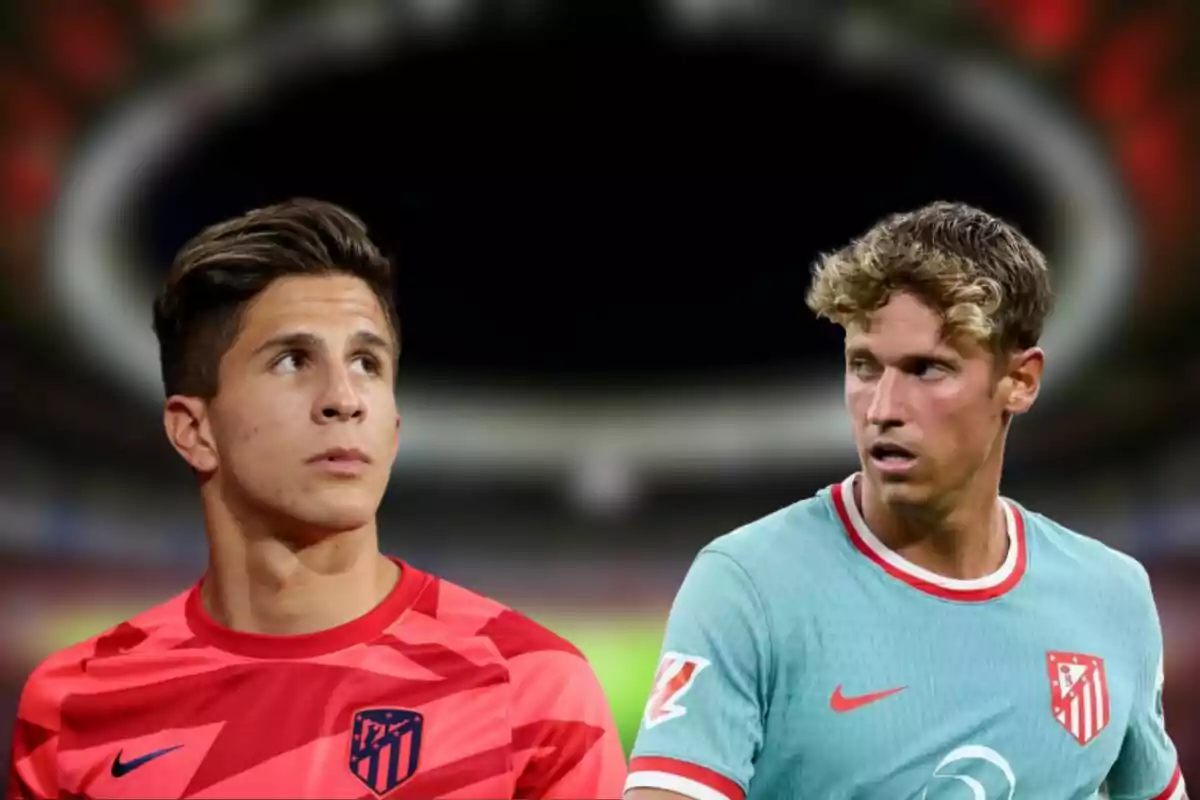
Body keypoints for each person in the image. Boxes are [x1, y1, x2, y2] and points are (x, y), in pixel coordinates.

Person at [7, 199, 627, 799]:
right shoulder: (72, 705)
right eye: (291, 360)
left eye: (366, 363)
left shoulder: (535, 688)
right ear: (194, 432)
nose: (343, 397)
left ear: (393, 428)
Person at [624, 202, 1187, 800]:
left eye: (927, 370)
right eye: (863, 366)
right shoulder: (750, 585)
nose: (883, 407)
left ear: (1020, 381)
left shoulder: (1112, 595)